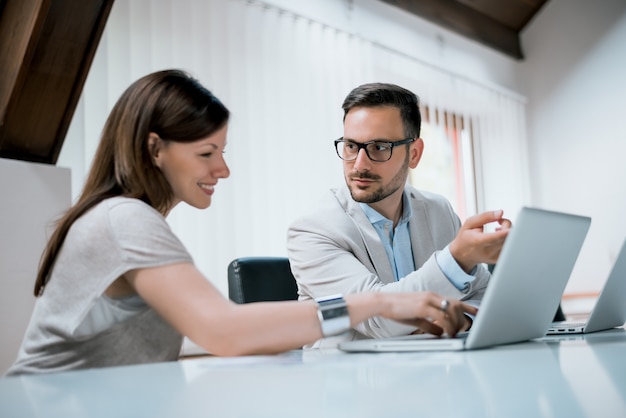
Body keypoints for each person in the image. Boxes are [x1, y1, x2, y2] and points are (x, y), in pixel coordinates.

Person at [5, 71, 476, 376]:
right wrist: (374, 303)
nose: (224, 170)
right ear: (154, 151)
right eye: (207, 154)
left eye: (222, 152)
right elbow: (223, 329)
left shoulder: (130, 219)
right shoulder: (123, 220)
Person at [287, 82, 511, 348]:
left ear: (414, 153)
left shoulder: (439, 211)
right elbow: (377, 319)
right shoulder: (313, 231)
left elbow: (483, 297)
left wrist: (460, 320)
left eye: (379, 148)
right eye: (350, 146)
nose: (359, 164)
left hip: (431, 374)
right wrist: (457, 259)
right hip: (351, 383)